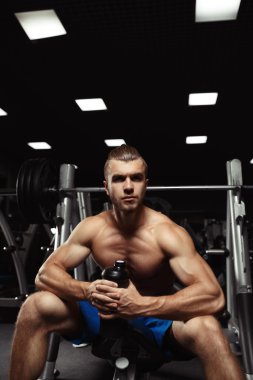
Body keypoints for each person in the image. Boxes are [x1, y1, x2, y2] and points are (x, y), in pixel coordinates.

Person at [9, 144, 245, 380]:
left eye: (136, 178)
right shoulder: (93, 228)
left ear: (146, 184)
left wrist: (140, 304)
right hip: (102, 315)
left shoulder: (167, 233)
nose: (129, 186)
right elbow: (45, 275)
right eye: (119, 179)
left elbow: (214, 297)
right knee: (35, 306)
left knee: (208, 327)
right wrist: (88, 291)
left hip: (158, 320)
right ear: (106, 187)